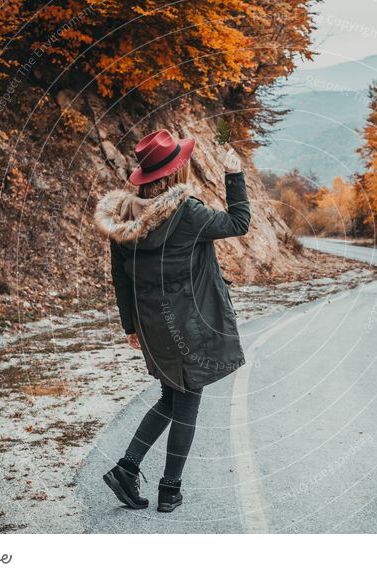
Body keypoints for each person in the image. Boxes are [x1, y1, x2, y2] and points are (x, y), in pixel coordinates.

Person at [93, 128, 250, 512]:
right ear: (172, 175)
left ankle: (127, 470)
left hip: (151, 325)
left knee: (171, 395)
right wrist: (234, 176)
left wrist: (130, 326)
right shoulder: (188, 214)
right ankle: (169, 489)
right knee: (188, 399)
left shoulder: (123, 218)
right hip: (188, 323)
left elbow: (120, 276)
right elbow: (238, 223)